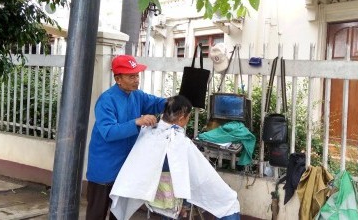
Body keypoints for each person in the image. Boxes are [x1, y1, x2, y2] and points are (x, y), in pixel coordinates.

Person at [109, 95, 241, 220]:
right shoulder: (180, 143)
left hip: (156, 197)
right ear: (182, 117)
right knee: (230, 201)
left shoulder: (148, 132)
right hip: (173, 198)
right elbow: (201, 176)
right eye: (188, 117)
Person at [85, 55, 166, 220]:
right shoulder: (106, 100)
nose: (136, 80)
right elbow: (108, 132)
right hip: (104, 168)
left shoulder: (137, 95)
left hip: (125, 168)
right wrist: (137, 122)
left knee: (120, 213)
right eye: (131, 76)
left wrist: (176, 102)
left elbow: (157, 103)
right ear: (118, 79)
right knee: (97, 214)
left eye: (137, 75)